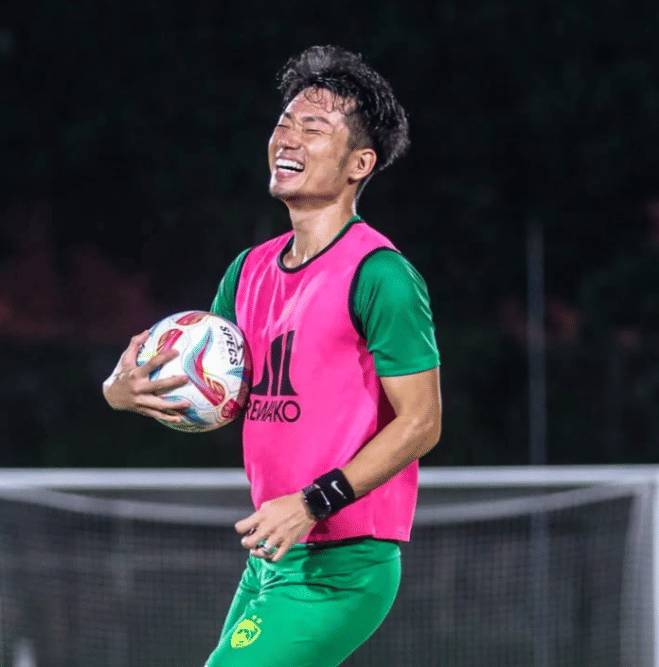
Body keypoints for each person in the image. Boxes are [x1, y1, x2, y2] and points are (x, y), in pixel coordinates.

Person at [103, 45, 441, 667]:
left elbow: (422, 423)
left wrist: (312, 502)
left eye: (314, 128)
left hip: (344, 564)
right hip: (273, 555)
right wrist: (127, 392)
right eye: (285, 123)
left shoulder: (381, 275)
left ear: (359, 163)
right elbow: (222, 398)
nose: (288, 137)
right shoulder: (248, 271)